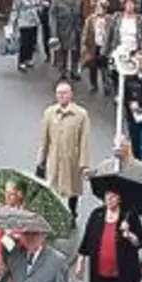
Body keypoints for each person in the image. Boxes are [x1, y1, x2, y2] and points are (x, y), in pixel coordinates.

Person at [37, 80, 92, 220]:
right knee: (51, 187)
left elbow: (84, 140)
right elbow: (44, 139)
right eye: (59, 93)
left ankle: (72, 213)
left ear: (71, 94)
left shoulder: (81, 115)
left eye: (64, 93)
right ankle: (51, 215)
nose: (61, 96)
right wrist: (41, 160)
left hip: (72, 159)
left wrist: (83, 164)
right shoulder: (49, 113)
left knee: (72, 189)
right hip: (54, 158)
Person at [49, 0, 85, 80]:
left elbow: (82, 13)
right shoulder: (56, 0)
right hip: (62, 29)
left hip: (75, 29)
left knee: (76, 52)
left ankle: (74, 70)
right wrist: (54, 32)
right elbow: (52, 16)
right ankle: (63, 71)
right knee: (62, 52)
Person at [6, 0, 42, 71]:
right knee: (25, 42)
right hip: (24, 22)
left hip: (34, 21)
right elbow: (15, 10)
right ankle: (21, 61)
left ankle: (29, 59)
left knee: (32, 42)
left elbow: (37, 5)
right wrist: (11, 23)